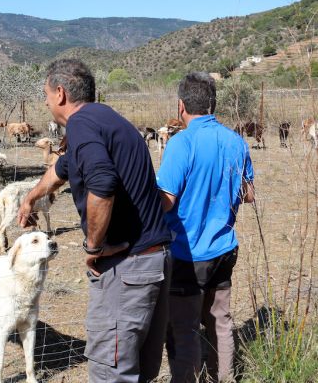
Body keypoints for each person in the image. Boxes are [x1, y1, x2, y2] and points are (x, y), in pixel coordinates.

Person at [17, 58, 172, 382]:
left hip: (126, 266)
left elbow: (102, 184)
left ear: (60, 93)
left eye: (46, 94)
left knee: (109, 372)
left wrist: (93, 245)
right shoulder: (106, 120)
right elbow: (61, 169)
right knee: (137, 372)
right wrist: (31, 197)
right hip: (154, 258)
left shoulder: (81, 125)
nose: (45, 102)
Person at [157, 72, 255, 382]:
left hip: (189, 254)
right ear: (213, 104)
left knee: (182, 327)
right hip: (225, 248)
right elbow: (249, 193)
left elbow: (166, 201)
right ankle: (223, 377)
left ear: (181, 105)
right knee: (220, 321)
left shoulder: (181, 144)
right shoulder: (235, 141)